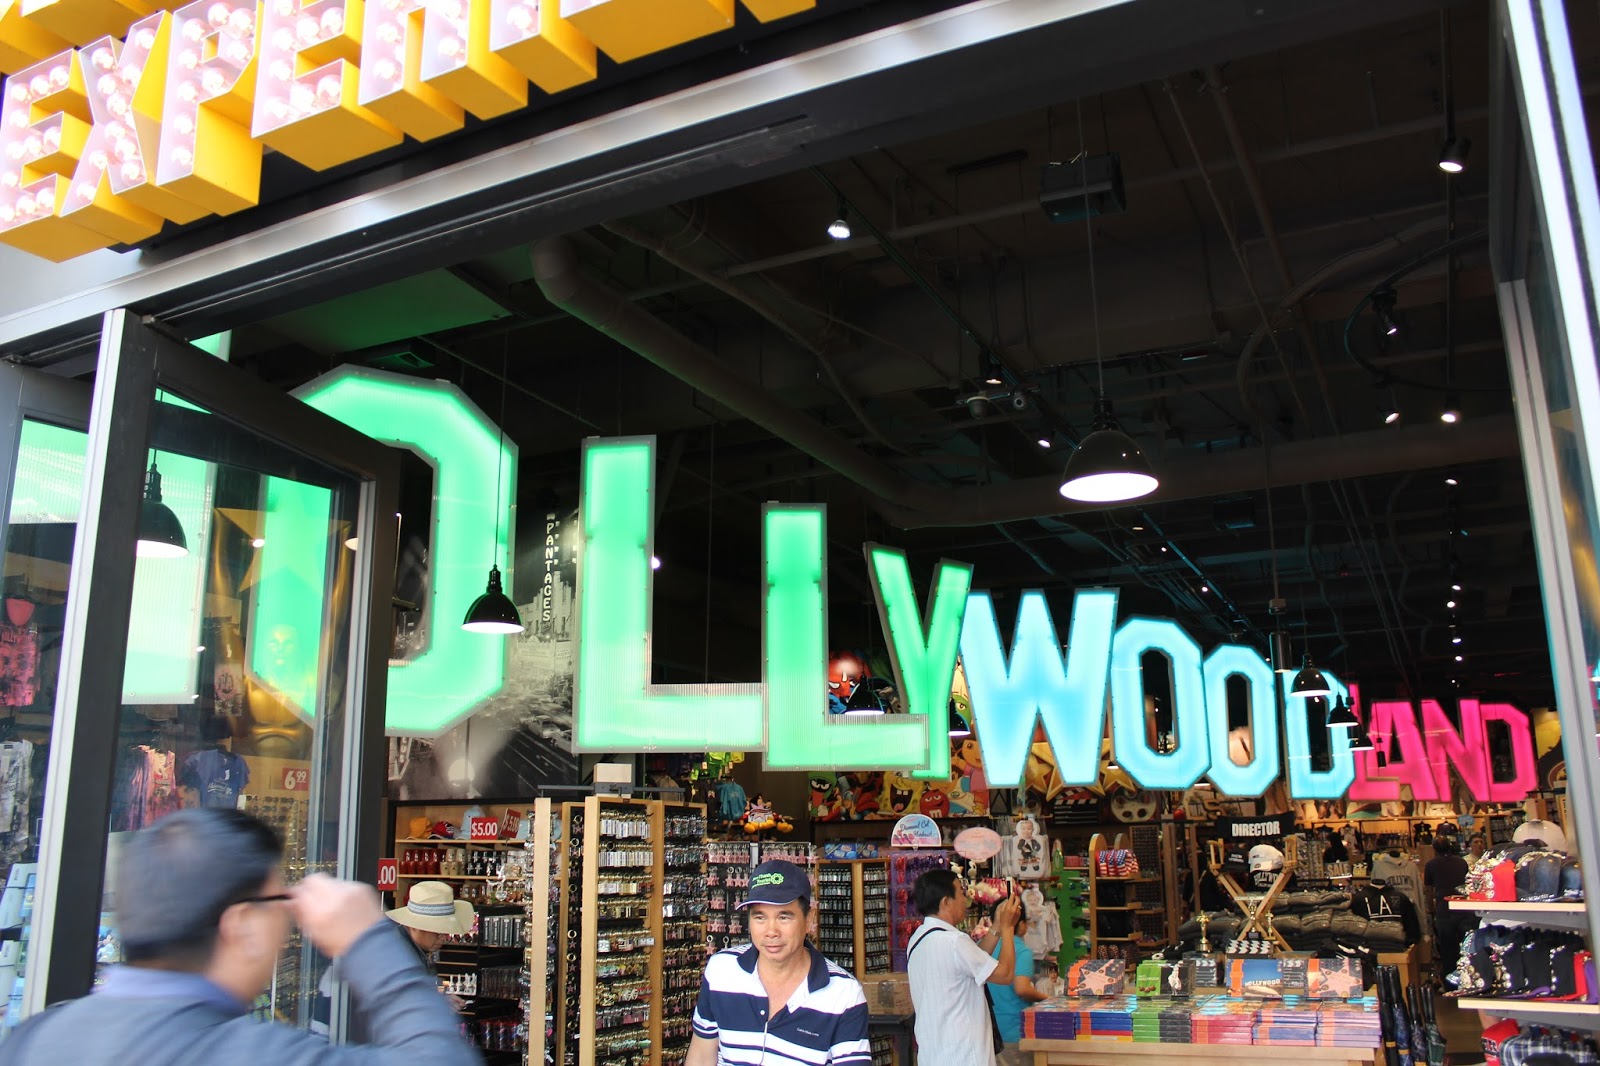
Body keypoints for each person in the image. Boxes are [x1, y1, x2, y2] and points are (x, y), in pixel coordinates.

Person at [0, 808, 479, 1066]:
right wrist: (368, 940)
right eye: (280, 902)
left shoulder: (38, 1037)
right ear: (242, 925)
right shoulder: (252, 1055)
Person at [688, 859, 869, 1066]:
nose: (771, 932)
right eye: (760, 917)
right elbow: (701, 1056)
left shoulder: (845, 994)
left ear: (809, 919)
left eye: (784, 917)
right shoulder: (721, 971)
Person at [311, 879, 476, 1035]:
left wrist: (440, 994)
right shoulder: (398, 955)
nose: (443, 938)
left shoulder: (406, 948)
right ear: (415, 926)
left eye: (445, 932)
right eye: (437, 932)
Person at [906, 869, 1020, 1066]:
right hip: (964, 1056)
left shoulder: (918, 939)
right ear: (946, 902)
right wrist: (1009, 928)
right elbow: (1006, 974)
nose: (965, 899)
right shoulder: (954, 941)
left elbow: (974, 962)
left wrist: (997, 927)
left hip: (934, 1056)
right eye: (960, 892)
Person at [988, 902, 1048, 1066]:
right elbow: (1021, 988)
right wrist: (1048, 999)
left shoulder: (983, 946)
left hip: (987, 1031)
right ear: (1020, 924)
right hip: (1013, 1031)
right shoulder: (1021, 950)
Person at [1424, 837, 1472, 980]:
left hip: (1444, 910)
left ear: (1434, 849)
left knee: (1447, 951)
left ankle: (1450, 982)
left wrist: (1432, 910)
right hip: (1464, 908)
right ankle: (1469, 977)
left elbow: (1428, 891)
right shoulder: (1461, 862)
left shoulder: (1431, 865)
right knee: (1467, 947)